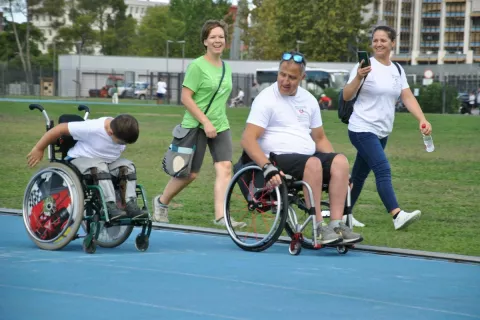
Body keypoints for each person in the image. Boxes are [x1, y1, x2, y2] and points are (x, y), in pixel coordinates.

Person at [240, 51, 363, 245]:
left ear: (302, 78)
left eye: (292, 77)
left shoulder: (309, 100)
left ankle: (337, 224)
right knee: (313, 163)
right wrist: (266, 167)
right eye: (282, 75)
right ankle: (319, 227)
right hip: (277, 158)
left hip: (305, 158)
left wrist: (338, 171)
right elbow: (247, 139)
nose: (285, 81)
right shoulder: (266, 99)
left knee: (340, 161)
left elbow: (320, 138)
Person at [152, 20, 246, 228]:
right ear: (205, 41)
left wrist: (215, 122)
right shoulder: (197, 66)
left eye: (221, 37)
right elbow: (186, 98)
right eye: (213, 37)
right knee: (190, 174)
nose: (217, 40)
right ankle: (161, 202)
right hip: (196, 125)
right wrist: (205, 122)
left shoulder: (226, 68)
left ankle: (222, 217)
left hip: (220, 125)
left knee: (225, 167)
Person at [342, 25, 432, 230]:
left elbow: (407, 96)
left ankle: (344, 215)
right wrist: (358, 77)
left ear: (393, 43)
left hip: (382, 131)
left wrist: (422, 119)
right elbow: (346, 95)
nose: (378, 44)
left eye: (383, 40)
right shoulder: (365, 66)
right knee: (382, 169)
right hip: (362, 128)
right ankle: (396, 215)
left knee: (359, 175)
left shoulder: (397, 70)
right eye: (375, 40)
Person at [26, 114, 146, 220]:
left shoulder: (123, 127)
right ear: (110, 133)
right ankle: (109, 206)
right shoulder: (93, 128)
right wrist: (39, 148)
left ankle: (130, 205)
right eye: (122, 143)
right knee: (99, 167)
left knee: (127, 166)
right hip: (80, 160)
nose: (123, 146)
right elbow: (59, 129)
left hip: (105, 163)